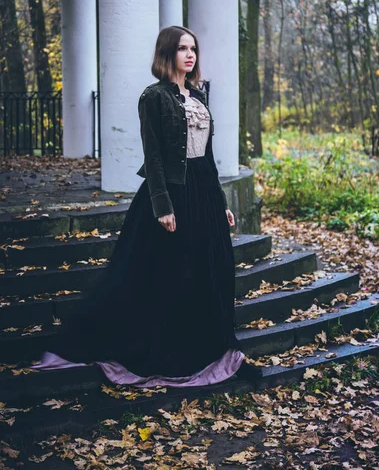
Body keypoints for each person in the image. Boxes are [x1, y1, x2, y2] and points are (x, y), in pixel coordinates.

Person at [34, 26, 260, 387]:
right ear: (167, 54)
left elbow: (208, 158)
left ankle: (204, 347)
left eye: (193, 49)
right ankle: (165, 351)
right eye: (182, 48)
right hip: (172, 195)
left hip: (203, 194)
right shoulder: (152, 97)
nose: (190, 55)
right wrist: (162, 206)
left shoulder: (199, 97)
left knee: (206, 272)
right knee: (170, 275)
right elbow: (153, 158)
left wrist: (221, 204)